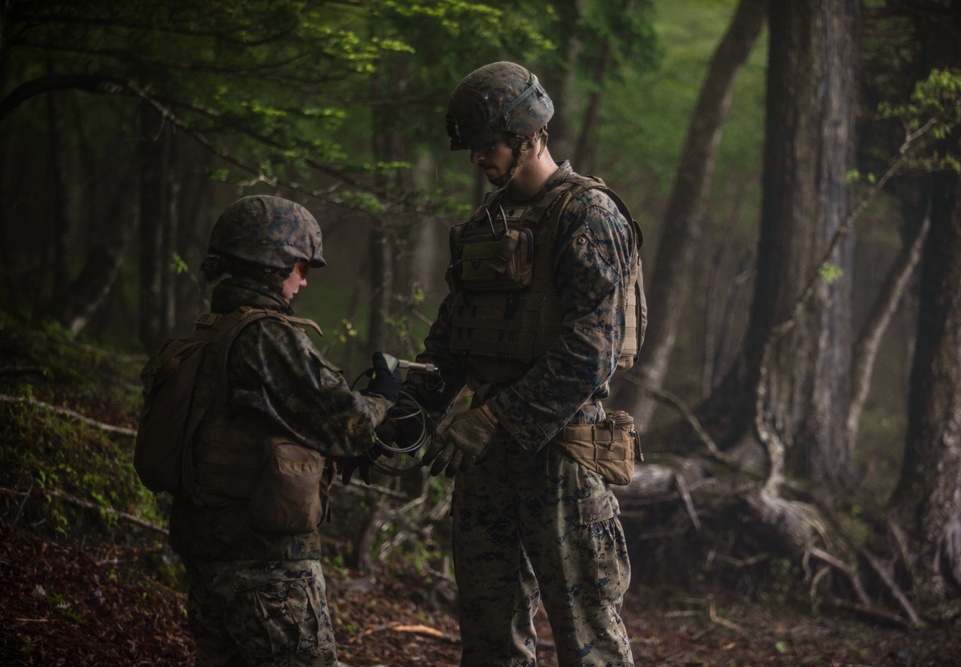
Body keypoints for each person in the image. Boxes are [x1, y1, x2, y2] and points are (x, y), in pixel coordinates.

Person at [406, 61, 639, 666]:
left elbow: (591, 350)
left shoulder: (589, 215)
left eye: (490, 144)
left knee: (587, 638)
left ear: (529, 133)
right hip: (486, 460)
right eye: (474, 147)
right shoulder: (488, 223)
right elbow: (452, 340)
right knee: (488, 639)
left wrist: (490, 419)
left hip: (560, 454)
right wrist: (406, 406)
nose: (480, 159)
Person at [166, 194, 401, 666]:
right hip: (264, 560)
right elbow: (348, 424)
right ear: (273, 264)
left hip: (206, 547)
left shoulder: (210, 330)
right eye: (299, 265)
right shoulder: (268, 335)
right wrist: (385, 398)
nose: (303, 279)